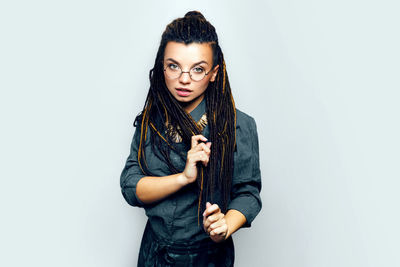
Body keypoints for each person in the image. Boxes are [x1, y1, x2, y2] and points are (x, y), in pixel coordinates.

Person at [120, 10, 262, 266]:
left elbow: (248, 193)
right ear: (162, 66)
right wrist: (184, 178)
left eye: (198, 69)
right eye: (173, 66)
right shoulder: (150, 121)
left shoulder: (239, 125)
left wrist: (225, 226)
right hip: (154, 254)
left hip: (207, 257)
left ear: (215, 73)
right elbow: (131, 186)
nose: (184, 79)